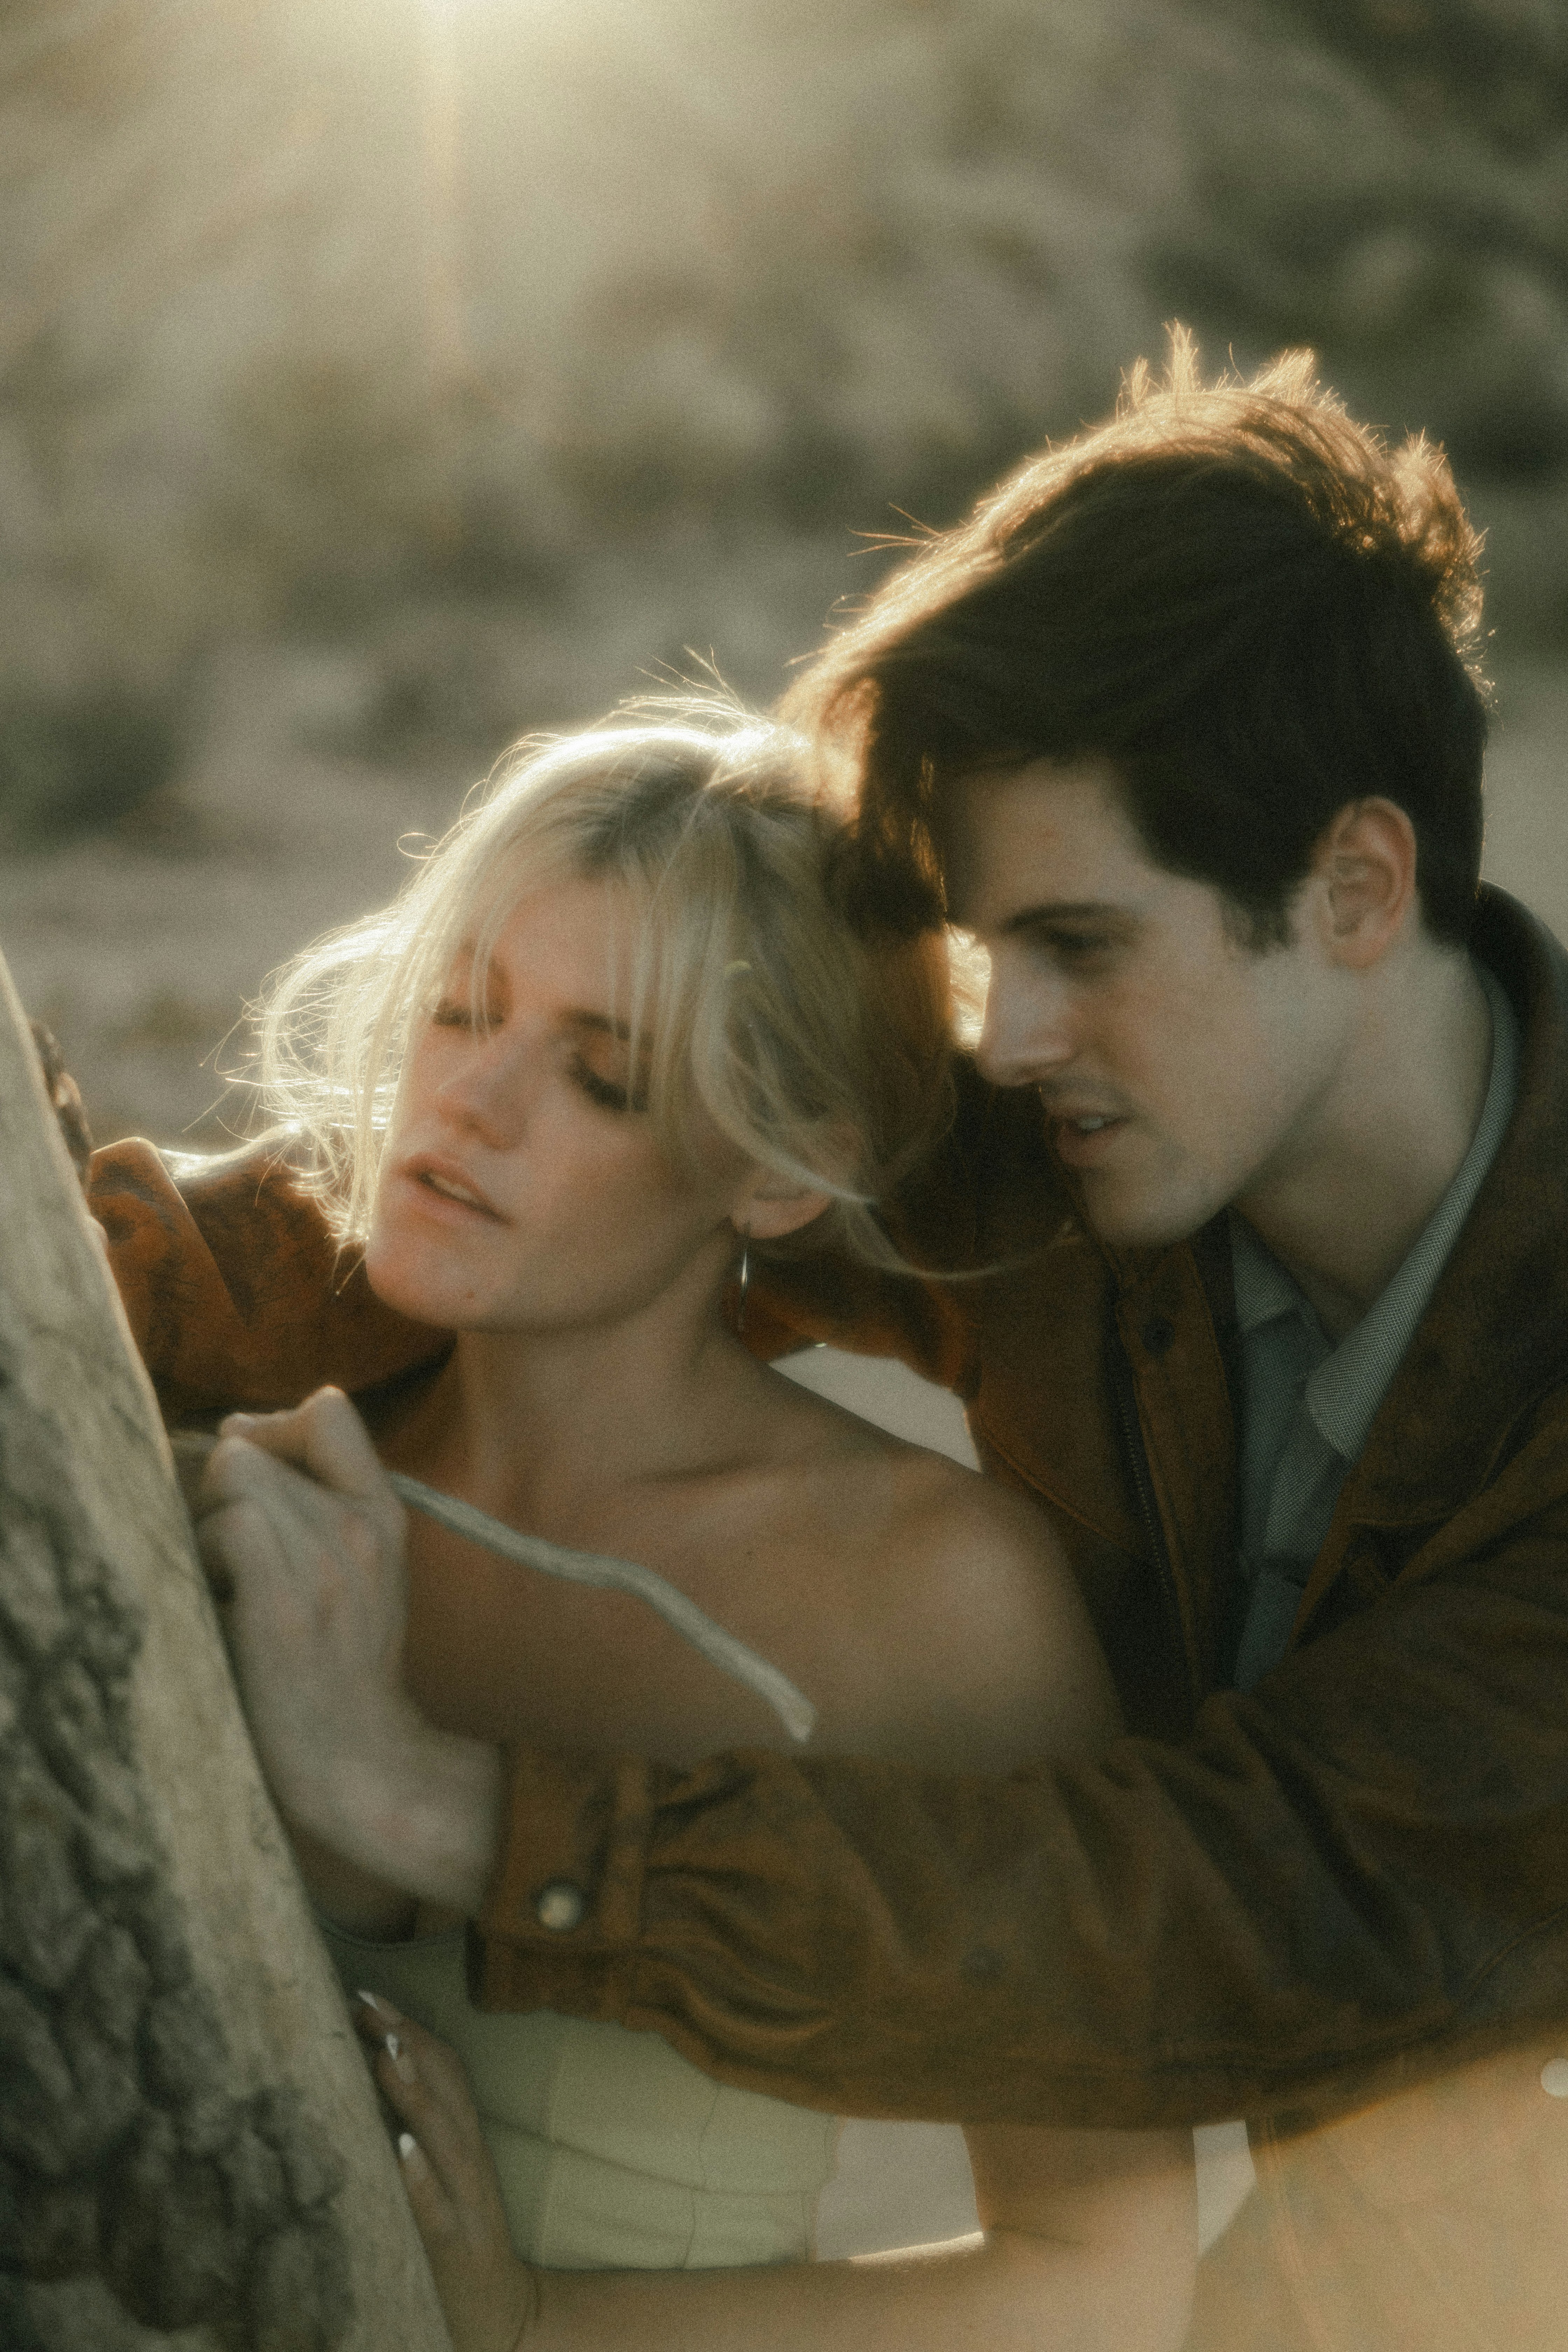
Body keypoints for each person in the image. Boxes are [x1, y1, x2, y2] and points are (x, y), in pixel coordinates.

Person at [97, 337, 1568, 2346]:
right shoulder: (1111, 1116)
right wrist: (94, 1293)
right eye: (987, 946)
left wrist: (452, 1809)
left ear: (1358, 884)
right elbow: (582, 1169)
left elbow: (1232, 1911)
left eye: (1078, 944)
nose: (1006, 1035)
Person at [135, 714, 1196, 2350]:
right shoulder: (238, 1481)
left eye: (600, 1075)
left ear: (780, 1177)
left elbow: (1104, 2283)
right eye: (457, 1009)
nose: (467, 1105)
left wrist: (541, 2323)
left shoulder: (927, 1595)